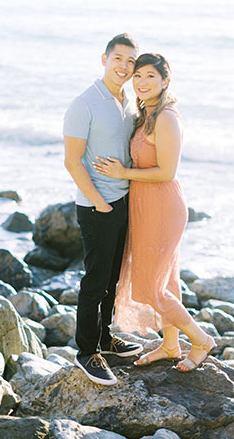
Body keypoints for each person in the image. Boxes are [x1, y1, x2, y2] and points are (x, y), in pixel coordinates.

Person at [93, 53, 217, 372]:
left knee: (150, 287)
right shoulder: (146, 113)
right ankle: (170, 345)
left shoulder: (166, 118)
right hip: (146, 206)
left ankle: (201, 340)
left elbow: (167, 172)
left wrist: (123, 174)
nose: (142, 82)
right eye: (137, 76)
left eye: (150, 76)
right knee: (167, 282)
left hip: (162, 206)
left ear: (165, 80)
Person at [63, 33, 144, 386]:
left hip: (123, 202)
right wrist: (99, 202)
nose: (124, 66)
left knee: (112, 279)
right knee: (95, 281)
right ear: (104, 59)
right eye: (118, 59)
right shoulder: (84, 103)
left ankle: (105, 339)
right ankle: (86, 352)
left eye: (130, 61)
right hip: (98, 207)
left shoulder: (126, 100)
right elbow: (72, 161)